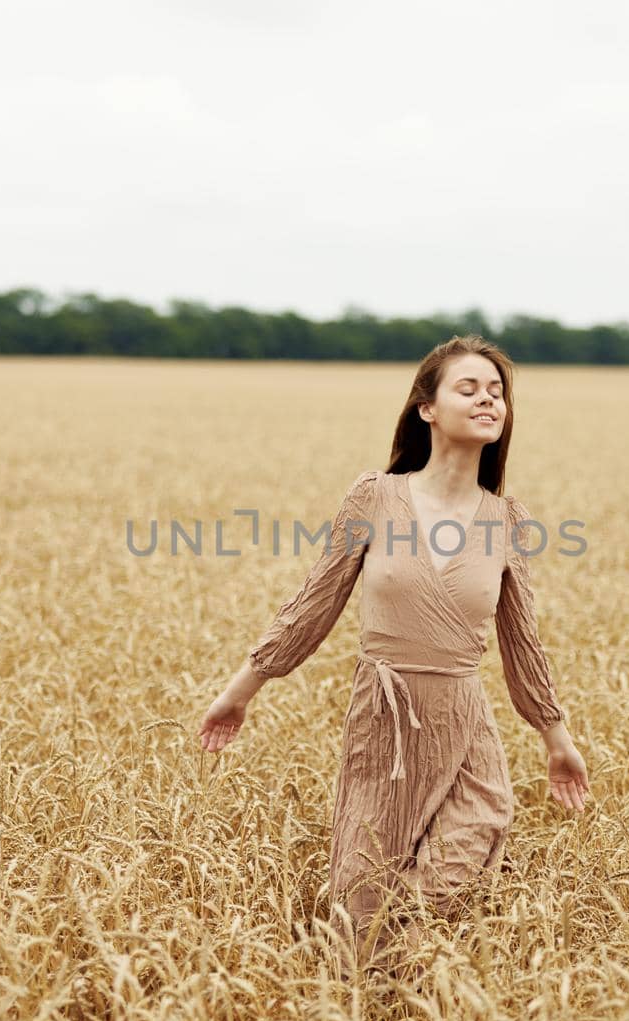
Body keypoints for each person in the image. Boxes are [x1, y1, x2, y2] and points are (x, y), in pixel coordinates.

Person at [195, 334, 591, 976]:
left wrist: (556, 737)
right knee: (364, 903)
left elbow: (522, 640)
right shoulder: (376, 497)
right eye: (469, 388)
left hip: (467, 729)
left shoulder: (506, 519)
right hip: (385, 725)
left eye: (498, 393)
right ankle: (359, 1014)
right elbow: (313, 603)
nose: (488, 400)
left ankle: (416, 1007)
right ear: (427, 408)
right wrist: (239, 692)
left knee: (447, 882)